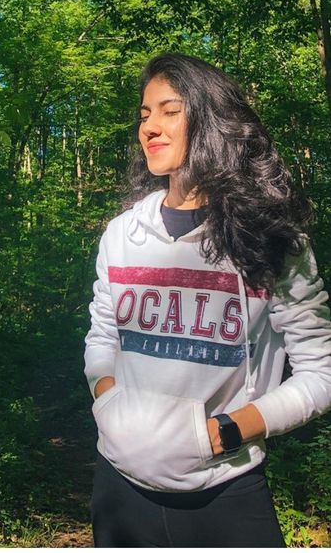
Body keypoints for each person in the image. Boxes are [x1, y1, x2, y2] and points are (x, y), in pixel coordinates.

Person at [84, 53, 331, 546]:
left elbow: (321, 371)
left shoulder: (271, 239)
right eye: (144, 113)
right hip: (117, 489)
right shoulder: (121, 234)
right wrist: (108, 399)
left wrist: (231, 430)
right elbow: (103, 333)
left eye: (168, 111)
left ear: (211, 120)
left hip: (226, 493)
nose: (149, 126)